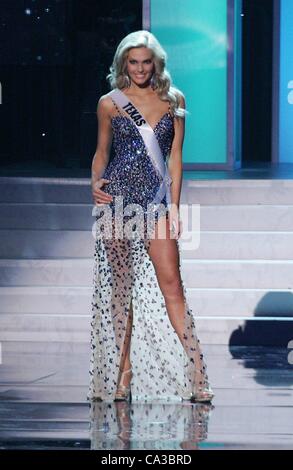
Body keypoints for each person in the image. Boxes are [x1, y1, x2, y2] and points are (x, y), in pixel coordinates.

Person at [88, 30, 214, 403]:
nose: (140, 69)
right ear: (123, 64)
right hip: (117, 203)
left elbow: (175, 158)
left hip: (156, 202)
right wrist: (95, 183)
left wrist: (175, 208)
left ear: (156, 64)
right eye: (133, 61)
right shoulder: (109, 103)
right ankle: (123, 375)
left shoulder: (173, 100)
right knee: (121, 290)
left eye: (146, 62)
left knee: (172, 284)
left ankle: (197, 373)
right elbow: (101, 152)